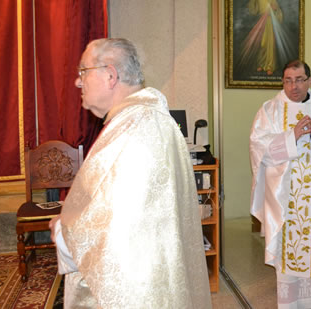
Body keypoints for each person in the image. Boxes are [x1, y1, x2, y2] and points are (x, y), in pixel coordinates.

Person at [48, 38, 212, 308]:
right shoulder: (145, 119)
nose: (78, 82)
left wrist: (64, 231)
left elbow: (119, 225)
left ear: (110, 75)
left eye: (83, 71)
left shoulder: (136, 128)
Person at [250, 60, 311, 308]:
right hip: (284, 202)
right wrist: (291, 136)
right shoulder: (269, 110)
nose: (293, 86)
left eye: (299, 79)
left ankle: (309, 302)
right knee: (286, 262)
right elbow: (258, 148)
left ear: (310, 81)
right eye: (288, 80)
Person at [239, 0, 286, 76]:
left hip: (271, 24)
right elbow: (253, 10)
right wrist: (255, 0)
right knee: (262, 44)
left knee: (270, 45)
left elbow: (279, 13)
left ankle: (269, 66)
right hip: (261, 23)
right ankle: (261, 64)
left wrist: (276, 9)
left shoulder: (273, 0)